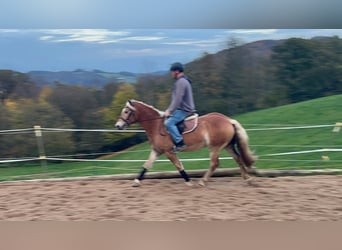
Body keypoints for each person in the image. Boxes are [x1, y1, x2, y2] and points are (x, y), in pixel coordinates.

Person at [164, 62, 196, 153]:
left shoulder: (181, 82)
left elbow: (177, 99)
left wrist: (169, 111)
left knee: (168, 123)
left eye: (172, 72)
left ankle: (180, 143)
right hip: (181, 109)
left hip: (185, 110)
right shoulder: (183, 81)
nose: (171, 74)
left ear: (177, 71)